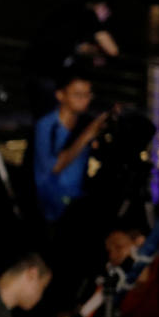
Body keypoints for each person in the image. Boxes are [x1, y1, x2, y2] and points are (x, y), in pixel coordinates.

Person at [32, 72, 108, 223]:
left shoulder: (84, 122)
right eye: (78, 95)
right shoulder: (46, 126)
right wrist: (86, 136)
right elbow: (53, 167)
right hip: (51, 203)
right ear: (61, 95)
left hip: (78, 198)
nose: (84, 100)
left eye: (87, 95)